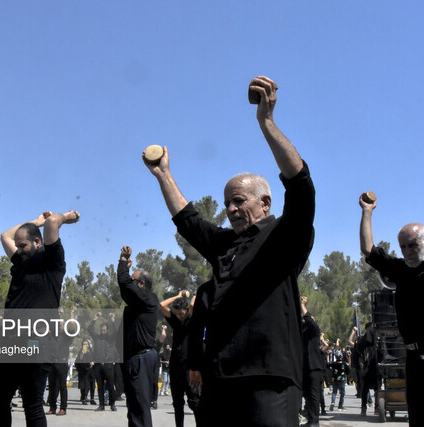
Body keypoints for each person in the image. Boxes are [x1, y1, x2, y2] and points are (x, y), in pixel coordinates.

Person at [144, 75, 315, 426]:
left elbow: (301, 186)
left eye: (239, 201)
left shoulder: (284, 236)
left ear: (265, 202)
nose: (232, 209)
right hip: (221, 377)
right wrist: (163, 175)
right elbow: (189, 220)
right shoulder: (226, 245)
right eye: (227, 204)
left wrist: (266, 123)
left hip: (269, 379)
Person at [359, 171, 424, 426]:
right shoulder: (402, 270)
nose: (407, 251)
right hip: (414, 357)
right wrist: (367, 211)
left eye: (412, 245)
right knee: (419, 421)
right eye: (403, 246)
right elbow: (368, 250)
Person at [0, 210, 80, 427]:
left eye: (23, 246)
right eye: (18, 246)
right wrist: (36, 221)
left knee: (32, 404)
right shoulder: (20, 262)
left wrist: (66, 217)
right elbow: (5, 236)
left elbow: (52, 224)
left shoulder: (52, 262)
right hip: (9, 342)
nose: (18, 250)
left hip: (36, 342)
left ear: (37, 242)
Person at [117, 245, 159, 427]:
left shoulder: (148, 299)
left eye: (134, 281)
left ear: (141, 284)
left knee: (140, 408)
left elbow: (124, 284)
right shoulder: (141, 301)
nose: (131, 283)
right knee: (134, 406)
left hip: (141, 358)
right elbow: (125, 288)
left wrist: (123, 260)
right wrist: (126, 270)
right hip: (136, 358)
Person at [160, 291, 201, 427]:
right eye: (177, 313)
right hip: (175, 368)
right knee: (178, 404)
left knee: (194, 402)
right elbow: (162, 304)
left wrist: (195, 294)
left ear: (186, 311)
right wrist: (178, 296)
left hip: (190, 367)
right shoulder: (175, 321)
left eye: (181, 313)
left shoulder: (191, 320)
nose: (179, 316)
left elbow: (192, 304)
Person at [45, 307, 77, 416]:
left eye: (61, 324)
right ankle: (52, 407)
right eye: (58, 324)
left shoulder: (67, 335)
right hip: (52, 362)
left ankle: (63, 408)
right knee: (52, 386)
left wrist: (72, 313)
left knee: (62, 386)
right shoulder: (52, 335)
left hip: (62, 363)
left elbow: (72, 325)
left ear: (64, 326)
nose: (59, 325)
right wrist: (56, 313)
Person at [87, 311, 118, 412]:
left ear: (107, 330)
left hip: (108, 364)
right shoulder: (97, 338)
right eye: (102, 330)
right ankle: (101, 405)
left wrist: (113, 319)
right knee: (100, 386)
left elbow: (117, 331)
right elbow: (89, 329)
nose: (103, 332)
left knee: (110, 385)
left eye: (104, 330)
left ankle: (112, 404)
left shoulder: (110, 338)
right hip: (98, 365)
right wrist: (95, 318)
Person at [300, 296, 323, 427]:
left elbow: (308, 319)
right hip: (305, 367)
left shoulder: (314, 330)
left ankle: (314, 422)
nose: (304, 320)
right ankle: (309, 419)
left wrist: (302, 304)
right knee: (307, 395)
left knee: (313, 395)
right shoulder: (303, 333)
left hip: (314, 367)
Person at [354, 322, 377, 416]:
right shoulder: (361, 341)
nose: (373, 329)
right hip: (366, 366)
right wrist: (360, 364)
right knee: (365, 389)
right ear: (367, 329)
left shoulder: (376, 340)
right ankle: (363, 408)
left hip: (375, 366)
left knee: (377, 388)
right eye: (371, 327)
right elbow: (358, 353)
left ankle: (377, 407)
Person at [75, 339, 95, 405]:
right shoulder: (81, 352)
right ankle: (84, 398)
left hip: (91, 370)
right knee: (84, 385)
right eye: (84, 344)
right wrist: (82, 354)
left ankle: (92, 399)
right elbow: (78, 361)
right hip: (84, 370)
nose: (85, 345)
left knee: (92, 385)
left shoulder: (91, 351)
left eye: (86, 344)